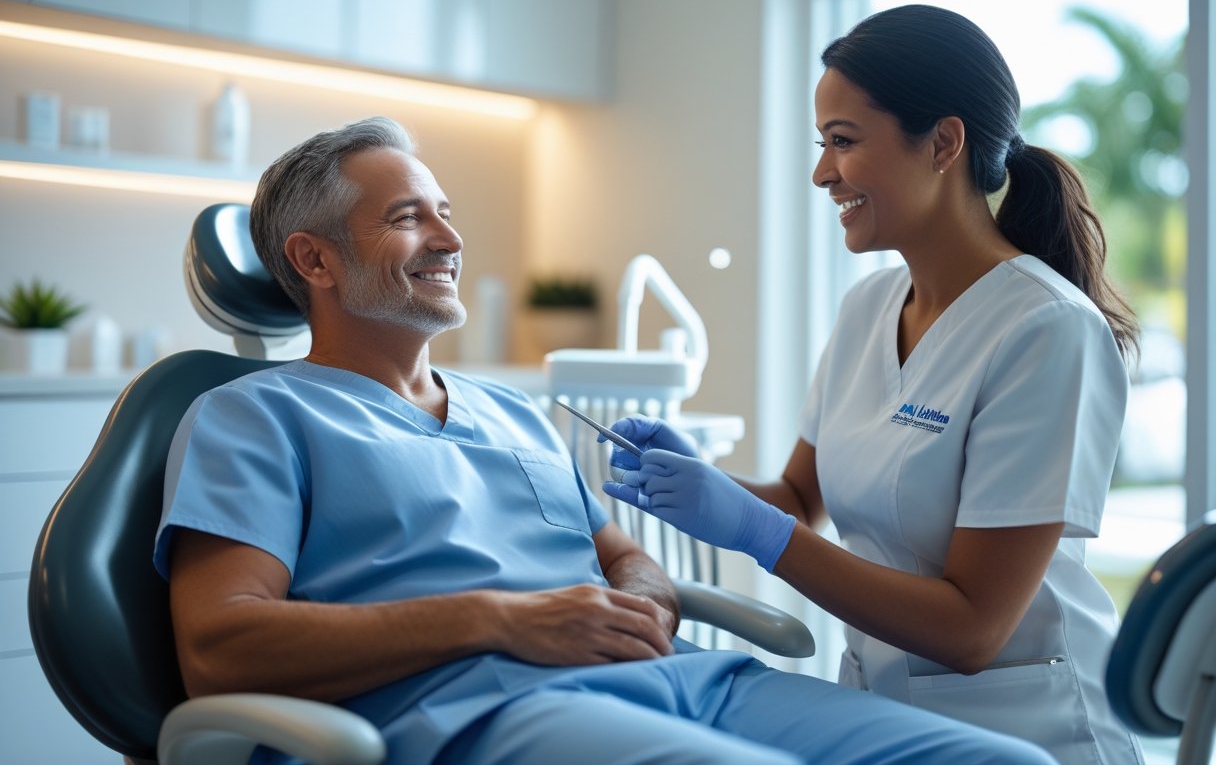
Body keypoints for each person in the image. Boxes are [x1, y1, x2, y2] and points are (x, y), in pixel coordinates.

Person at [154, 116, 1054, 765]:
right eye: (407, 219)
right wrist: (499, 618)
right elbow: (219, 650)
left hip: (683, 681)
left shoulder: (506, 409)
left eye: (445, 211)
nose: (451, 238)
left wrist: (643, 595)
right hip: (473, 715)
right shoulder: (256, 417)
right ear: (313, 262)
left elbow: (623, 558)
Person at [603, 5, 1146, 765]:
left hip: (1025, 731)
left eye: (844, 142)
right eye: (823, 144)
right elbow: (798, 501)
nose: (823, 172)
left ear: (944, 143)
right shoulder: (868, 307)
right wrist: (698, 482)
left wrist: (755, 534)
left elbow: (972, 629)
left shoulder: (1046, 330)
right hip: (879, 713)